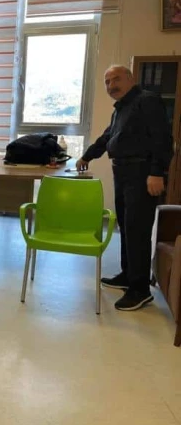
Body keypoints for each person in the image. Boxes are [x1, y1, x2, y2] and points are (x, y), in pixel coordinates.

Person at [77, 65, 173, 311]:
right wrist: (87, 156)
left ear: (130, 79)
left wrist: (156, 172)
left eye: (116, 79)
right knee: (126, 226)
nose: (111, 86)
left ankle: (140, 290)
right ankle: (128, 275)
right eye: (107, 82)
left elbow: (162, 138)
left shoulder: (147, 101)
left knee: (137, 229)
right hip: (122, 172)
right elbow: (107, 137)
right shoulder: (121, 108)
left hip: (142, 173)